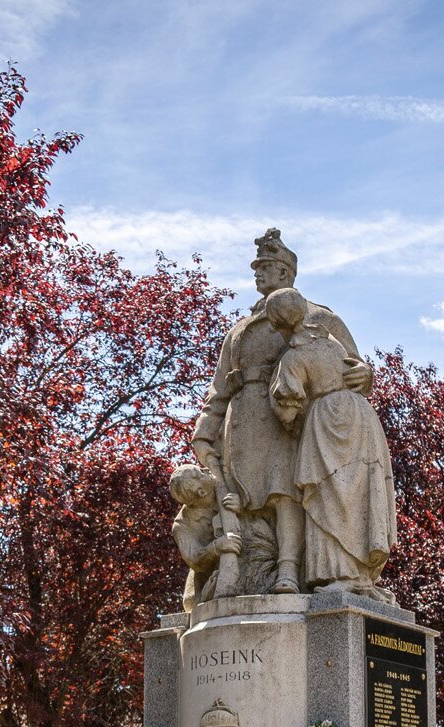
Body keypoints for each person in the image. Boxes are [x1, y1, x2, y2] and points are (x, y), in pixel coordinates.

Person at [191, 229, 368, 594]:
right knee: (241, 501)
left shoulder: (319, 317)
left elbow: (352, 369)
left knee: (284, 493)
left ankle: (288, 569)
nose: (257, 273)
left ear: (285, 272)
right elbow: (219, 389)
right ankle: (242, 574)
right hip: (240, 426)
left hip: (287, 422)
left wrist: (366, 374)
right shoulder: (238, 330)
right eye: (257, 268)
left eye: (265, 267)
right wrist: (204, 431)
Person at [265, 287, 397, 601]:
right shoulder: (331, 340)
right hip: (360, 415)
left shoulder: (293, 357)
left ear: (279, 324)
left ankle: (342, 575)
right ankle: (362, 576)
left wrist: (282, 412)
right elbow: (359, 370)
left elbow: (287, 408)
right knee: (361, 493)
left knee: (329, 496)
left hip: (326, 419)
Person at [169, 464, 243, 613]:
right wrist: (216, 547)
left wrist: (243, 505)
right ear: (201, 491)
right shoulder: (181, 526)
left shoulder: (226, 482)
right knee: (192, 602)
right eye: (200, 474)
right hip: (209, 574)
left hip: (250, 549)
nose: (206, 469)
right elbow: (194, 560)